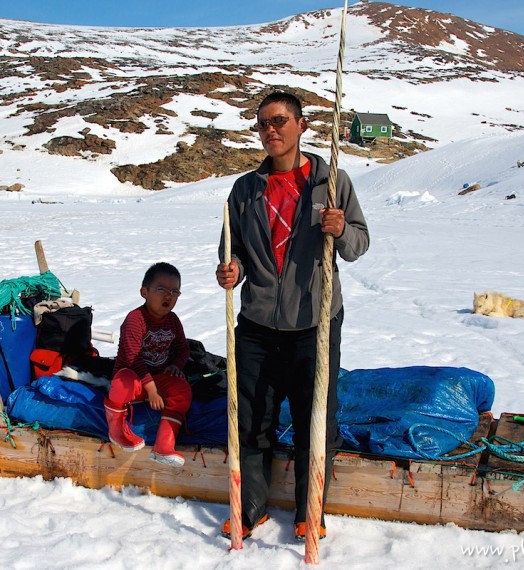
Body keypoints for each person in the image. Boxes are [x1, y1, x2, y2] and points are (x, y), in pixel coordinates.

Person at [216, 92, 369, 540]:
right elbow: (234, 249)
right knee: (251, 417)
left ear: (302, 125)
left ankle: (310, 510)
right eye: (262, 123)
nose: (271, 130)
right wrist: (232, 269)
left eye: (280, 121)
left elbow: (359, 243)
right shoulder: (244, 190)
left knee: (315, 417)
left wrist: (341, 230)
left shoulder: (331, 181)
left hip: (315, 321)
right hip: (258, 325)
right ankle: (251, 508)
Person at [104, 262, 192, 467]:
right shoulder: (135, 319)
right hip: (134, 377)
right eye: (161, 290)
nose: (168, 296)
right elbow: (133, 357)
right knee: (122, 382)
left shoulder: (173, 320)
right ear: (144, 292)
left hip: (159, 377)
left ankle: (164, 445)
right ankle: (116, 430)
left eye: (174, 291)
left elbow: (183, 349)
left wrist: (176, 366)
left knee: (182, 390)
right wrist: (150, 389)